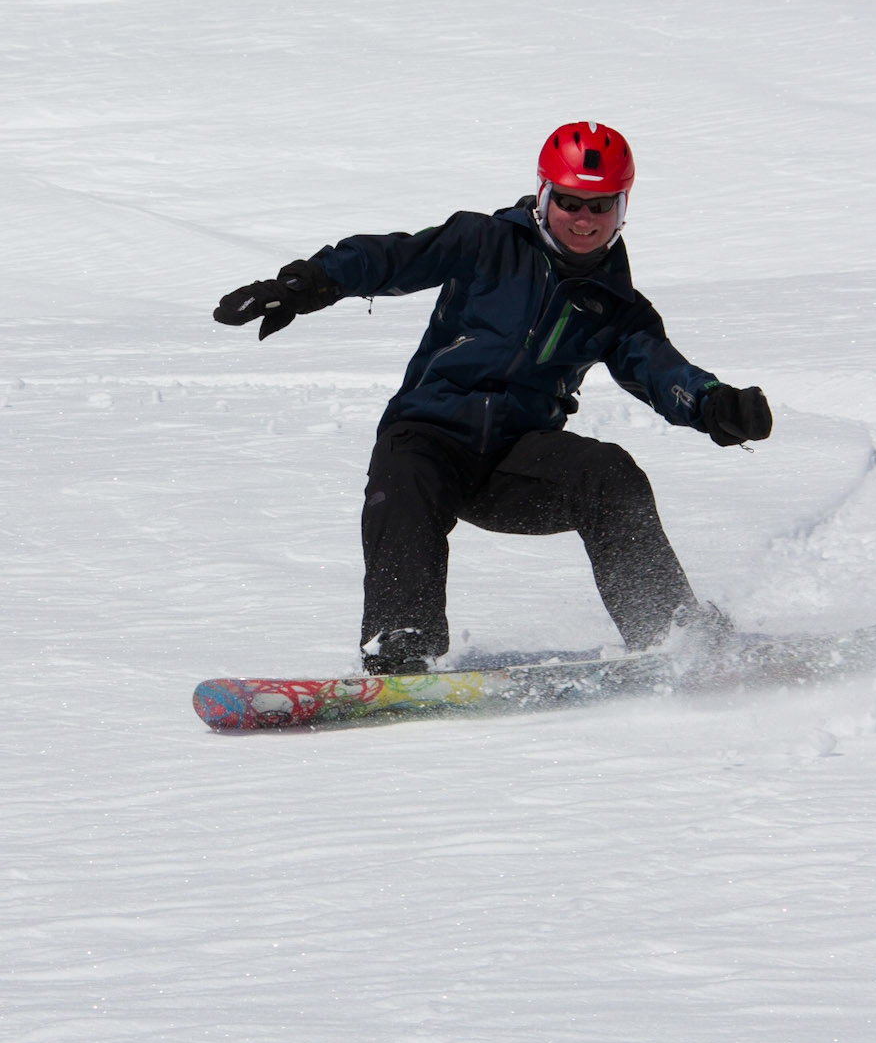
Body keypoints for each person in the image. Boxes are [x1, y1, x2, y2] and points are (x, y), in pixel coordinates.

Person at [214, 122, 772, 675]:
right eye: (569, 202)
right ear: (543, 195)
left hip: (517, 462)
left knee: (610, 472)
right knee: (404, 476)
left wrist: (713, 404)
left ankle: (670, 633)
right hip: (430, 436)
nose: (584, 219)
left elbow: (660, 369)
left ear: (622, 208)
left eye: (601, 206)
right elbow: (390, 258)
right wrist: (305, 284)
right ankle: (402, 647)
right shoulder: (481, 241)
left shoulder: (617, 306)